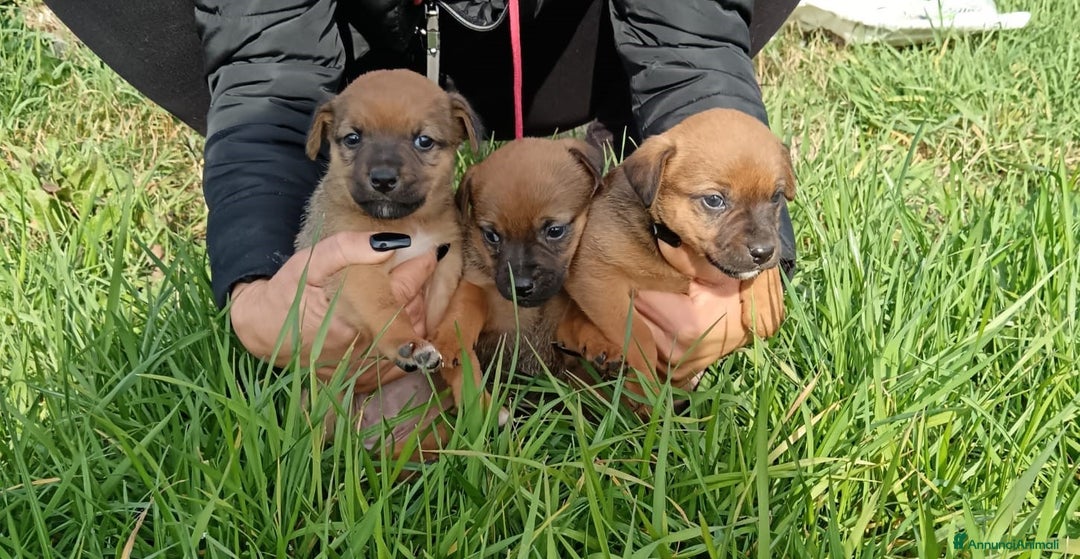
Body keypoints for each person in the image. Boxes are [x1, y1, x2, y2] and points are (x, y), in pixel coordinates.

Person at [44, 0, 798, 444]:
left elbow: (688, 43)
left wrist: (745, 273)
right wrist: (257, 287)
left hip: (577, 38)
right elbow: (270, 68)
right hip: (368, 40)